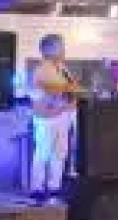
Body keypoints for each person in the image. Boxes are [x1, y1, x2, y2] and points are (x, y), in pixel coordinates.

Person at [28, 33, 81, 203]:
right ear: (50, 49)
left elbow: (71, 89)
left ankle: (54, 186)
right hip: (47, 116)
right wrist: (68, 88)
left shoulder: (63, 68)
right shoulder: (42, 68)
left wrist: (72, 90)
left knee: (59, 153)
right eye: (61, 46)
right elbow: (55, 89)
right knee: (43, 151)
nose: (64, 49)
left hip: (63, 114)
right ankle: (36, 187)